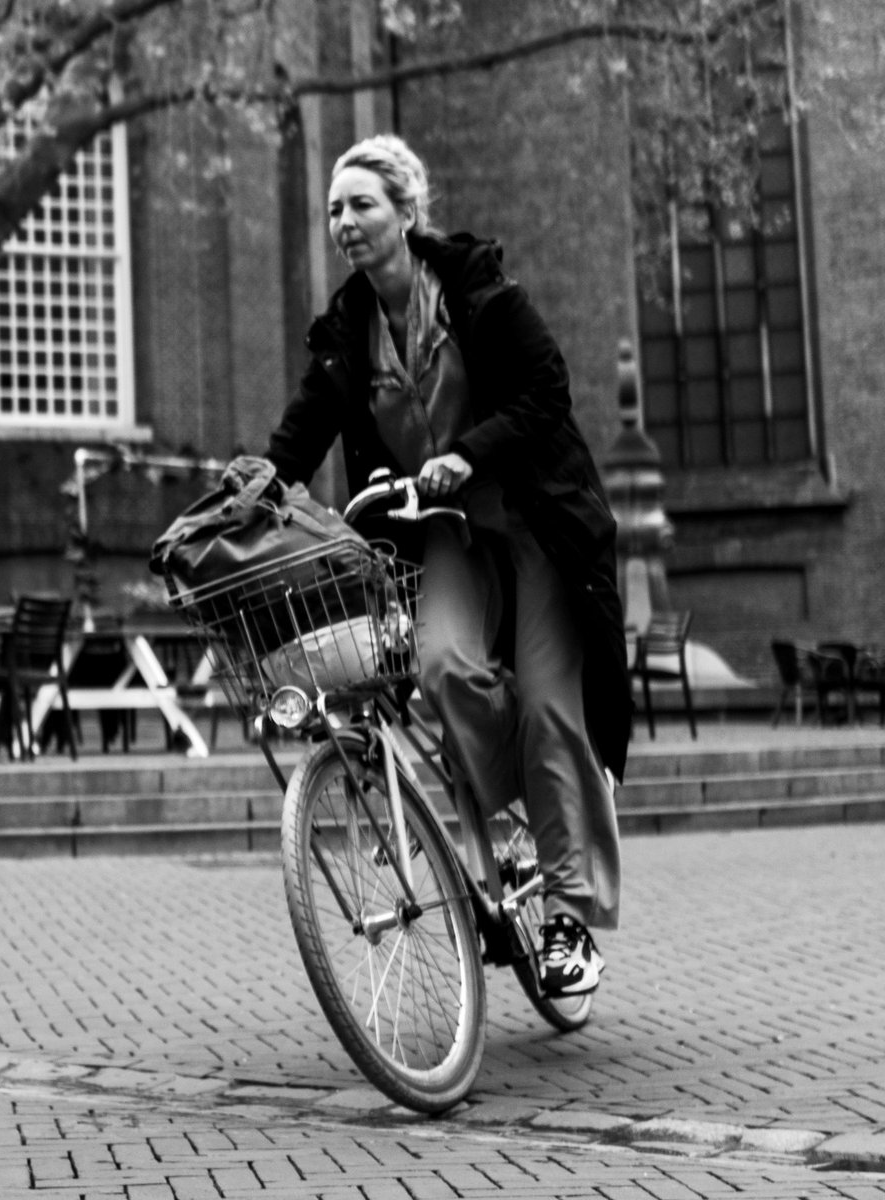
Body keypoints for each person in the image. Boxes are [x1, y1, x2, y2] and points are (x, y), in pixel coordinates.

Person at [264, 134, 631, 997]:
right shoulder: (347, 334)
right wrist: (252, 490)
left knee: (549, 703)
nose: (343, 222)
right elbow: (303, 430)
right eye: (333, 210)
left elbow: (546, 393)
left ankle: (571, 911)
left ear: (406, 211)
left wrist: (469, 453)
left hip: (536, 524)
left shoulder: (480, 294)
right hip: (447, 538)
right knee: (443, 669)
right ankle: (527, 816)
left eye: (361, 205)